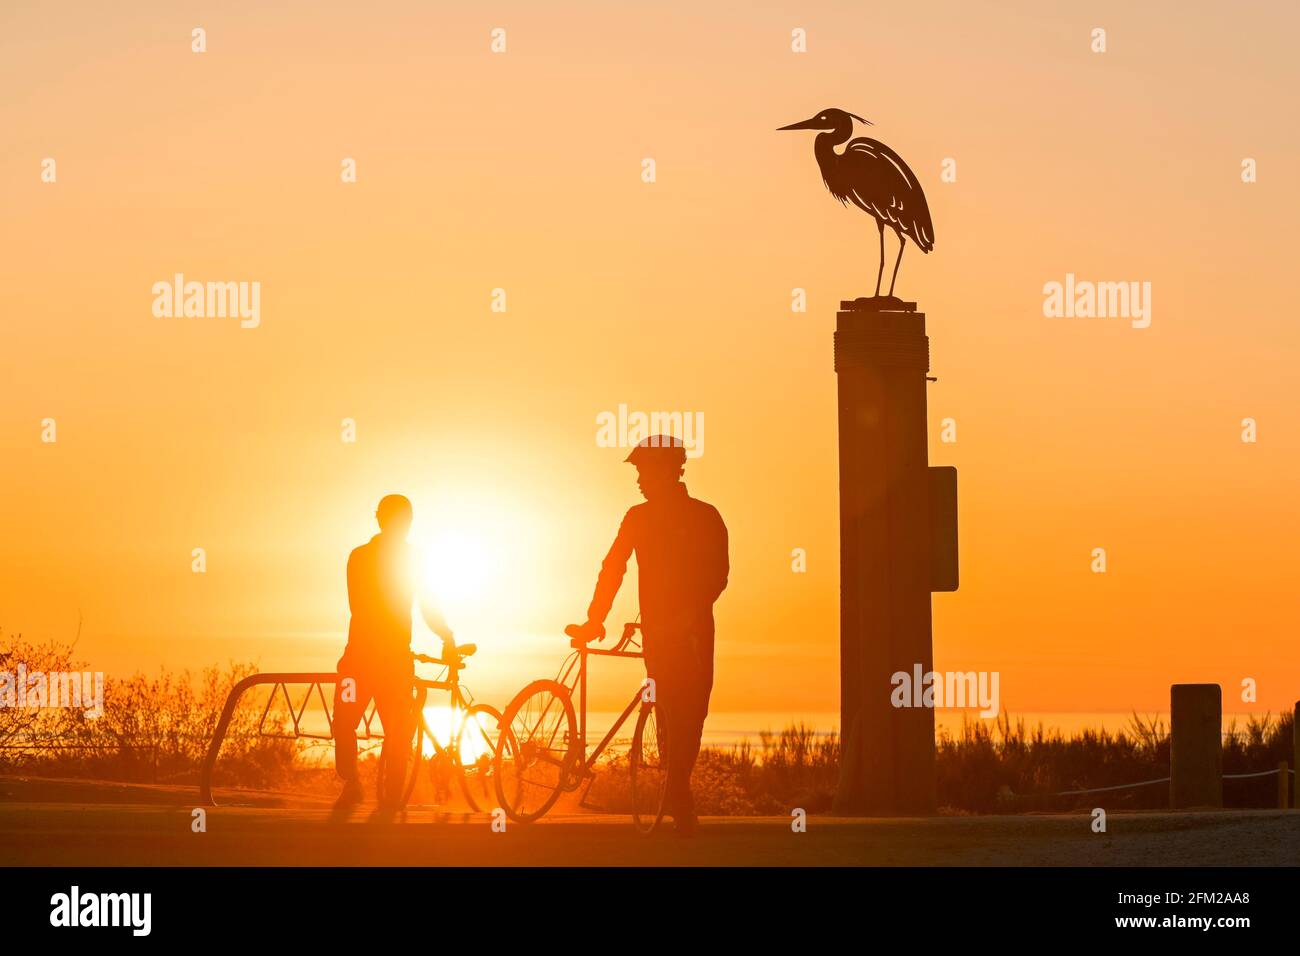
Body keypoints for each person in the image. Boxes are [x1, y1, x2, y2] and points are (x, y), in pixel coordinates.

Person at [571, 436, 728, 835]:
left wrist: (688, 615)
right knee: (670, 711)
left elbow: (717, 576)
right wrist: (595, 619)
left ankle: (677, 793)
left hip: (694, 634)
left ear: (670, 470)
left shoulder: (704, 516)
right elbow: (613, 568)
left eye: (645, 470)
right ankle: (679, 800)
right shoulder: (637, 517)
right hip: (660, 635)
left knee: (691, 717)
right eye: (638, 470)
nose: (639, 478)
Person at [333, 494, 454, 815]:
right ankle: (364, 788)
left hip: (368, 659)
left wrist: (446, 635)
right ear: (385, 520)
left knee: (378, 727)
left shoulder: (372, 557)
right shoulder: (366, 558)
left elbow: (424, 604)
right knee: (365, 726)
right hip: (372, 658)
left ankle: (381, 795)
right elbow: (365, 606)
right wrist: (446, 636)